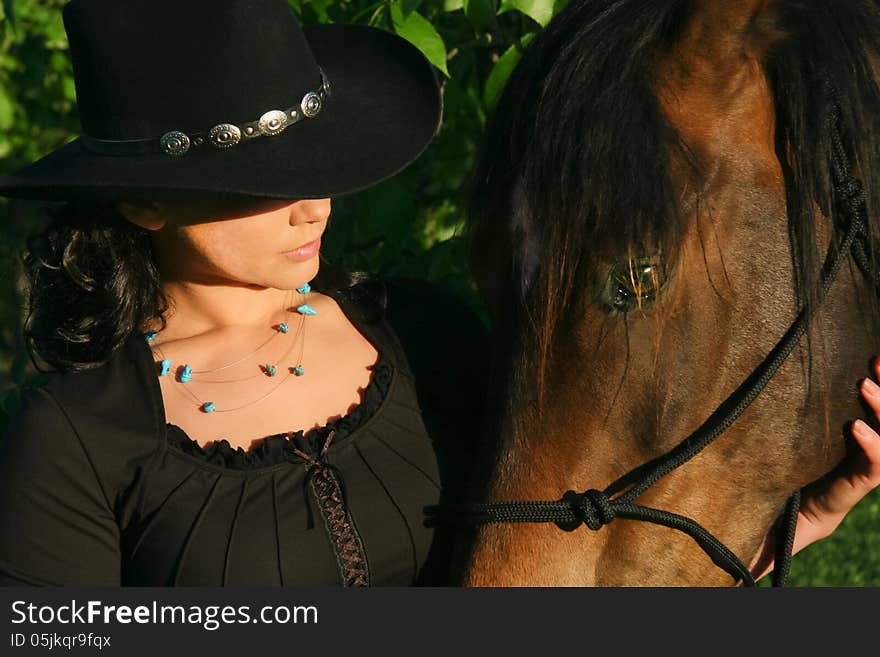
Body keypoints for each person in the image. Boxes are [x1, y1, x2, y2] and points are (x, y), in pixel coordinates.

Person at [0, 0, 876, 587]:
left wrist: (807, 522)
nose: (315, 203)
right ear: (142, 197)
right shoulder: (76, 437)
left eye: (317, 162)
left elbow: (564, 566)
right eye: (257, 177)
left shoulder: (426, 337)